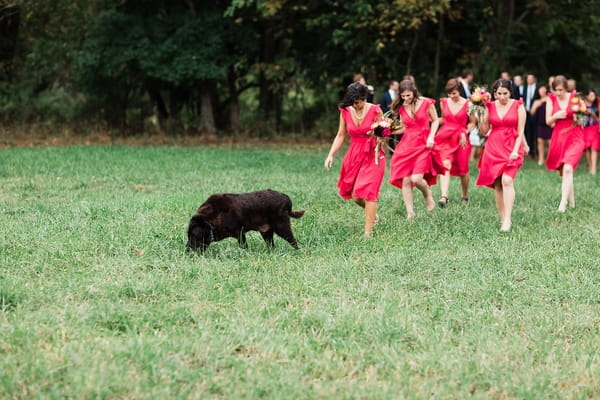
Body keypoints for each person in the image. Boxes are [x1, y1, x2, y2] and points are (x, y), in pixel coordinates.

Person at [324, 82, 386, 236]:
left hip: (373, 154)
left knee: (368, 191)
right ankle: (373, 215)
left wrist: (379, 136)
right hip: (354, 153)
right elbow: (340, 135)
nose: (358, 105)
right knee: (355, 196)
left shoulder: (375, 110)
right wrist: (330, 154)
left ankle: (367, 233)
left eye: (360, 101)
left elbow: (384, 133)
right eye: (355, 102)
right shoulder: (345, 111)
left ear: (365, 98)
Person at [475, 79, 526, 232]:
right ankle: (503, 218)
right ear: (494, 94)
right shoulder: (489, 106)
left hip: (512, 145)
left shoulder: (518, 105)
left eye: (505, 93)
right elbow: (484, 131)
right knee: (498, 184)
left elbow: (521, 131)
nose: (502, 97)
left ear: (510, 92)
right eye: (499, 94)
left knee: (507, 180)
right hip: (494, 147)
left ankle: (508, 219)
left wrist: (516, 150)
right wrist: (480, 115)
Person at [388, 79, 443, 219]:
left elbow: (436, 120)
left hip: (423, 143)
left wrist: (431, 136)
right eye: (403, 96)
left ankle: (427, 193)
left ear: (414, 91)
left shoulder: (426, 103)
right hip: (407, 144)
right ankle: (410, 213)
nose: (406, 99)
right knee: (406, 180)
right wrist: (386, 131)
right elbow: (404, 127)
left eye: (408, 95)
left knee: (417, 178)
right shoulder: (401, 107)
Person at [545, 75, 586, 212]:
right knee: (565, 170)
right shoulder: (551, 99)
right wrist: (555, 116)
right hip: (559, 136)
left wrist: (579, 114)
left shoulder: (575, 97)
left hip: (575, 135)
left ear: (566, 88)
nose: (558, 93)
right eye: (556, 90)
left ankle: (563, 204)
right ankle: (572, 203)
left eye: (561, 90)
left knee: (568, 168)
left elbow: (583, 115)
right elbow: (548, 121)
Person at [435, 78, 472, 206]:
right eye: (449, 93)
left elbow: (473, 123)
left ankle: (465, 195)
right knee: (445, 164)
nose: (451, 96)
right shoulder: (443, 102)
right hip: (445, 136)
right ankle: (444, 197)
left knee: (463, 171)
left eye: (454, 93)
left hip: (461, 137)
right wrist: (431, 120)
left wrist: (465, 132)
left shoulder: (468, 104)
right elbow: (444, 119)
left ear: (460, 91)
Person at [530, 85, 552, 165]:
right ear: (538, 91)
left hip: (549, 123)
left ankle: (550, 159)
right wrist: (535, 107)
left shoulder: (550, 99)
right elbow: (531, 113)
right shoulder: (536, 101)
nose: (542, 90)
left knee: (550, 142)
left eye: (543, 89)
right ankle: (541, 159)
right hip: (540, 124)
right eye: (540, 89)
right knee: (540, 141)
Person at [582, 89, 600, 175]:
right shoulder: (582, 104)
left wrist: (592, 113)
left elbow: (598, 119)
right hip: (586, 128)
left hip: (595, 128)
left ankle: (594, 169)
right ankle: (590, 166)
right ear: (587, 96)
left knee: (594, 148)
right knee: (587, 148)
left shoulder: (598, 103)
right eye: (591, 96)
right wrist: (583, 112)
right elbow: (580, 121)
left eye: (594, 95)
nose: (593, 97)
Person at [380, 80, 401, 150]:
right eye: (396, 85)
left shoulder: (399, 95)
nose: (398, 86)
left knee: (399, 135)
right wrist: (390, 112)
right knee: (390, 134)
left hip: (398, 118)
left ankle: (399, 149)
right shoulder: (385, 95)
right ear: (391, 85)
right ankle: (391, 151)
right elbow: (382, 107)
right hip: (389, 118)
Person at [523, 74, 539, 158]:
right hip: (526, 112)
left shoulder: (538, 87)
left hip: (535, 113)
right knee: (528, 132)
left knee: (536, 132)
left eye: (530, 78)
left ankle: (537, 152)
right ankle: (530, 151)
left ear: (534, 79)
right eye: (527, 78)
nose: (528, 80)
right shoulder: (525, 88)